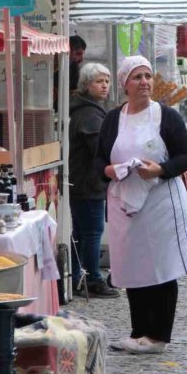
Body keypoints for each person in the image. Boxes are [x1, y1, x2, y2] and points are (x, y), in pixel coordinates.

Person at [95, 56, 187, 354]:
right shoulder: (114, 119)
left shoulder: (166, 117)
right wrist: (108, 171)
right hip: (125, 203)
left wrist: (160, 169)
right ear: (124, 84)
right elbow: (99, 159)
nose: (144, 82)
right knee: (132, 267)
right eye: (137, 77)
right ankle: (138, 331)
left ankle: (158, 336)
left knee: (161, 268)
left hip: (160, 202)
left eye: (148, 76)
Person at [68, 63, 118, 298]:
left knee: (81, 231)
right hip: (88, 183)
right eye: (99, 81)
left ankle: (79, 276)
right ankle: (92, 278)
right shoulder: (89, 113)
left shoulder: (88, 108)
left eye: (107, 80)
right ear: (86, 85)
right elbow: (100, 148)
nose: (105, 85)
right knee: (92, 231)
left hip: (82, 182)